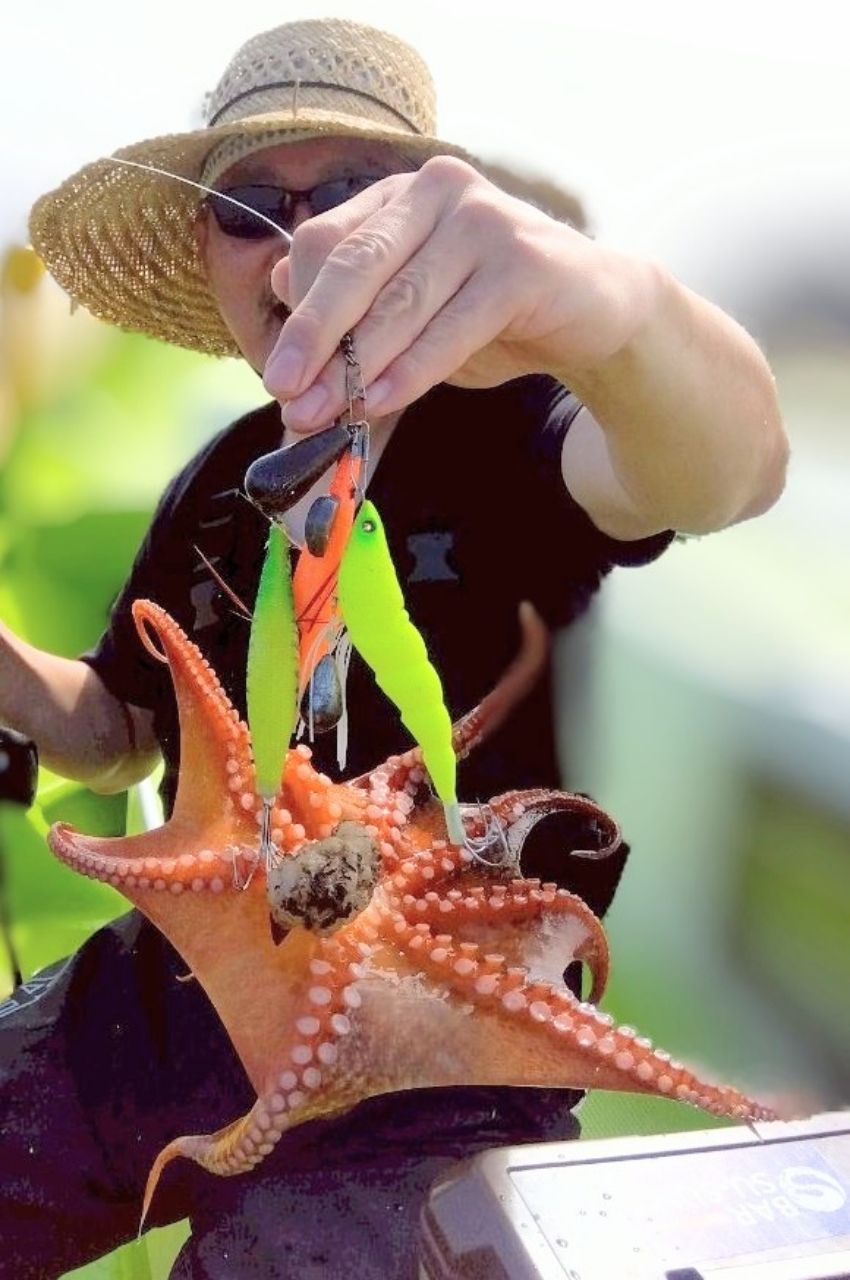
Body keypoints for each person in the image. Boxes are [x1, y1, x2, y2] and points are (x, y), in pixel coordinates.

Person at [1, 17, 787, 1279]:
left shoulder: (528, 429)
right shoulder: (220, 483)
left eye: (353, 193)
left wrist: (623, 317)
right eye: (247, 204)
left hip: (443, 1033)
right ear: (206, 249)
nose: (301, 238)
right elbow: (121, 733)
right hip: (192, 971)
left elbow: (725, 466)